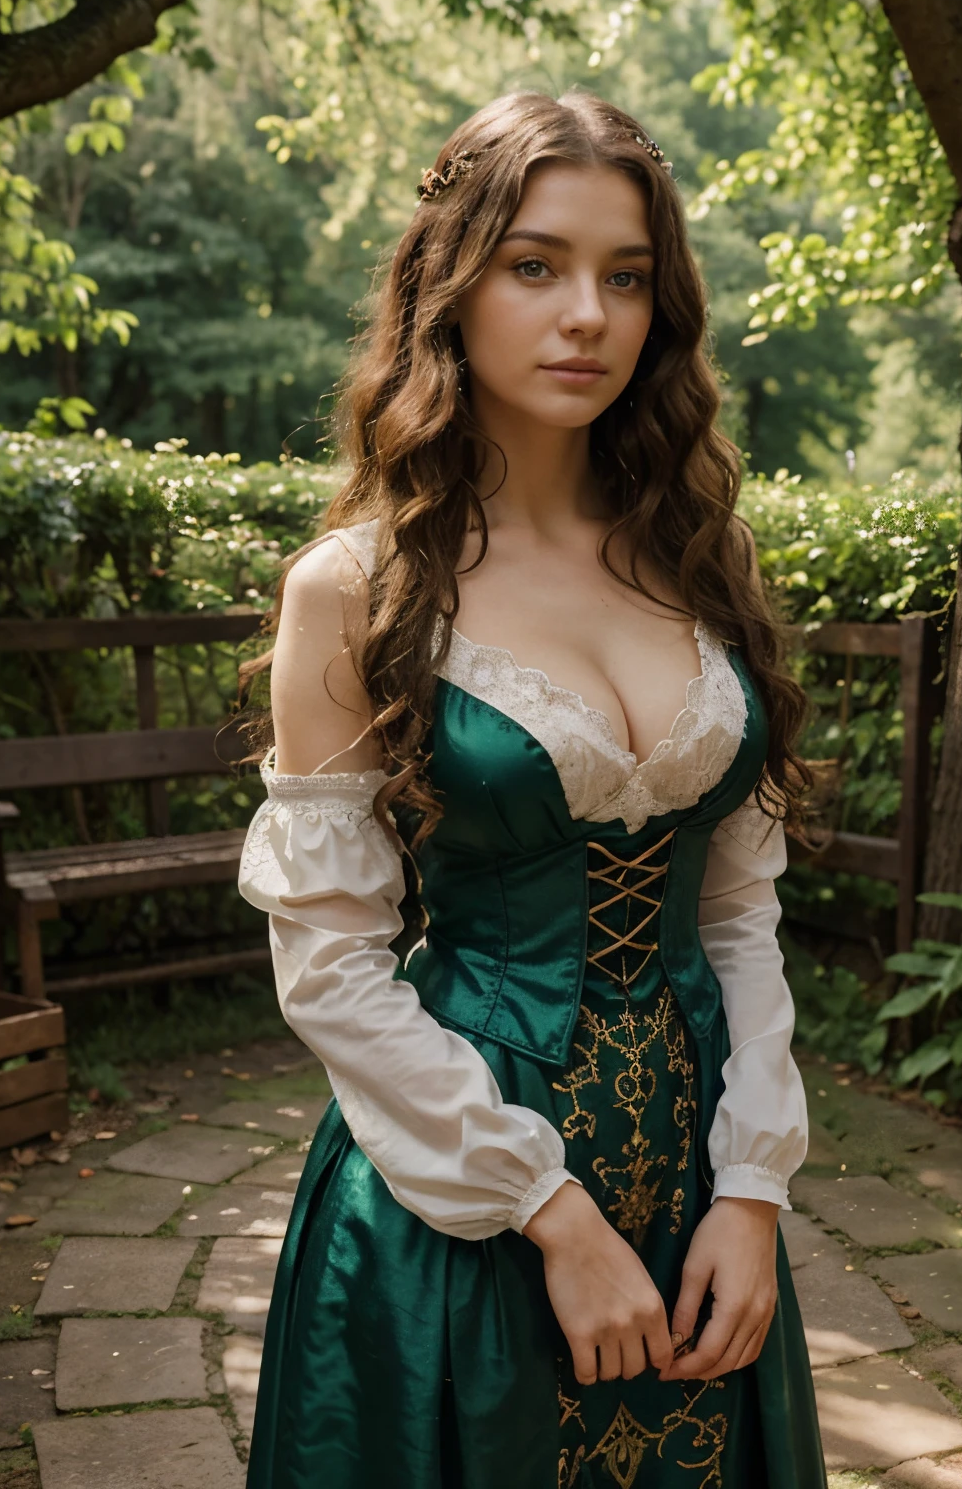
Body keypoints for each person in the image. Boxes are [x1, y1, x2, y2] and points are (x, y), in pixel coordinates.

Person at [236, 88, 826, 1488]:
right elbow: (330, 965)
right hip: (468, 1195)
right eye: (537, 265)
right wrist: (548, 1214)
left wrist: (753, 1186)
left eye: (627, 278)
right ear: (452, 282)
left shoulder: (697, 560)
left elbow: (737, 911)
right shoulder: (359, 590)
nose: (588, 316)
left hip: (697, 1188)